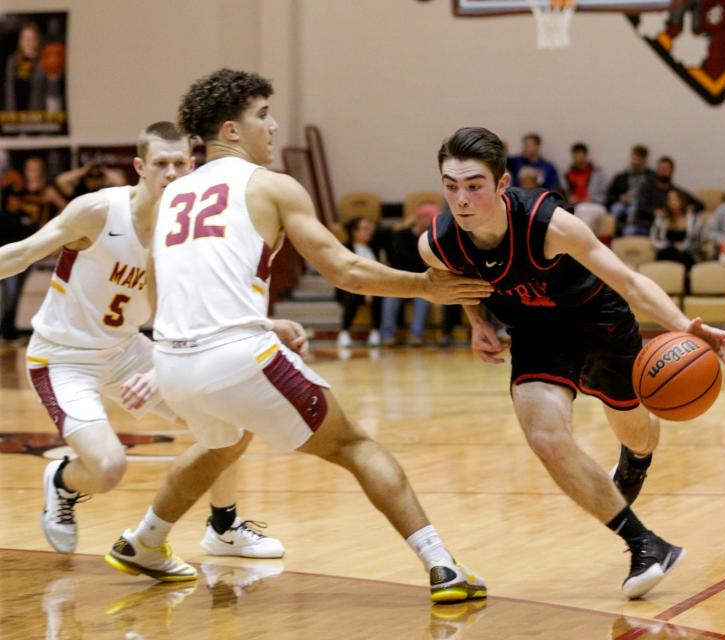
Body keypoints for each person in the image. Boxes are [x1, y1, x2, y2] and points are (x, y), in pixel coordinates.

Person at [106, 69, 491, 603]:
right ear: (231, 130)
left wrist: (254, 323)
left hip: (172, 362)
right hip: (234, 358)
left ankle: (143, 541)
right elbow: (343, 270)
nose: (274, 125)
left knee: (224, 441)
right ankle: (443, 567)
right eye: (262, 114)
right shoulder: (270, 185)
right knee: (356, 445)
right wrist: (426, 286)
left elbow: (158, 286)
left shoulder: (169, 197)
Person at [420, 127, 725, 599]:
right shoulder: (439, 243)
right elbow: (453, 280)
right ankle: (645, 544)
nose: (461, 200)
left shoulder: (549, 224)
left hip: (598, 320)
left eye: (473, 186)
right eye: (450, 186)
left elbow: (628, 281)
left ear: (502, 183)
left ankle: (637, 459)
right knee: (545, 437)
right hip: (537, 335)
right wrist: (476, 321)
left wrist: (684, 327)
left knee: (635, 427)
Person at [0, 121, 284, 560]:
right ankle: (62, 481)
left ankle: (223, 526)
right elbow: (20, 253)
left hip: (126, 350)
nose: (171, 173)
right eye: (161, 164)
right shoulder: (97, 211)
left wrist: (158, 368)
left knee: (229, 424)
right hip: (63, 358)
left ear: (193, 167)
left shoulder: (189, 229)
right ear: (140, 167)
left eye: (179, 164)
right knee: (109, 469)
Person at [0, 156, 67, 341]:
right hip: (11, 247)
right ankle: (6, 331)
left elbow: (67, 208)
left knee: (14, 293)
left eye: (36, 169)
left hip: (30, 246)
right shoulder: (17, 190)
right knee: (9, 292)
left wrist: (50, 229)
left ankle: (8, 330)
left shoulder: (47, 191)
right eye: (30, 169)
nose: (33, 173)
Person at [381, 202, 438, 347]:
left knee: (423, 300)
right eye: (431, 219)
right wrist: (424, 260)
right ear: (421, 218)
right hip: (400, 279)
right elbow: (398, 258)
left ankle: (416, 336)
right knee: (390, 300)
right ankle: (388, 336)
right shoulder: (401, 235)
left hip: (421, 281)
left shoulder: (433, 238)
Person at [336, 217, 383, 348]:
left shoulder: (374, 248)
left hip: (373, 288)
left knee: (381, 294)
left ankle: (375, 332)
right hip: (351, 287)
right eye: (365, 229)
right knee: (352, 294)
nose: (369, 232)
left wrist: (370, 289)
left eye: (370, 229)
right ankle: (344, 332)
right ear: (354, 231)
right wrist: (365, 289)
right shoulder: (345, 248)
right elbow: (347, 273)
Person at [606, 145, 656, 237]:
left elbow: (653, 196)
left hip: (640, 204)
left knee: (634, 208)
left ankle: (629, 224)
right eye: (635, 157)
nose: (636, 161)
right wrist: (619, 197)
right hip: (623, 203)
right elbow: (609, 196)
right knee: (616, 208)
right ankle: (611, 233)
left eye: (639, 158)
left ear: (645, 160)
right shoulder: (621, 177)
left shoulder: (651, 177)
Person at [649, 188, 702, 268]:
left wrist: (683, 246)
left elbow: (698, 242)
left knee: (682, 257)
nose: (672, 202)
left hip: (686, 253)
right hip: (665, 252)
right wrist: (667, 246)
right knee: (666, 254)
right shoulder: (661, 219)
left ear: (682, 201)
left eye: (675, 199)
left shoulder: (694, 220)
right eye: (669, 200)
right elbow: (654, 240)